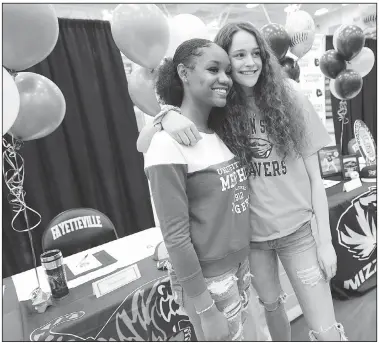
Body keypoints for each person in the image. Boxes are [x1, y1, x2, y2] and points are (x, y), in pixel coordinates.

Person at [138, 22, 347, 342]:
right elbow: (144, 144)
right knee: (272, 307)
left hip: (298, 232)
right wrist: (166, 115)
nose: (249, 62)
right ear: (226, 60)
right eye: (238, 55)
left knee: (324, 329)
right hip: (252, 240)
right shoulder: (220, 109)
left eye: (256, 53)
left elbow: (316, 179)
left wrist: (325, 242)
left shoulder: (289, 97)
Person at [143, 38, 262, 341]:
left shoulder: (222, 133)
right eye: (213, 69)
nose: (224, 79)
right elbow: (175, 237)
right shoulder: (167, 144)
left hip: (238, 267)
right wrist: (205, 308)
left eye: (226, 71)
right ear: (183, 73)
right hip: (209, 282)